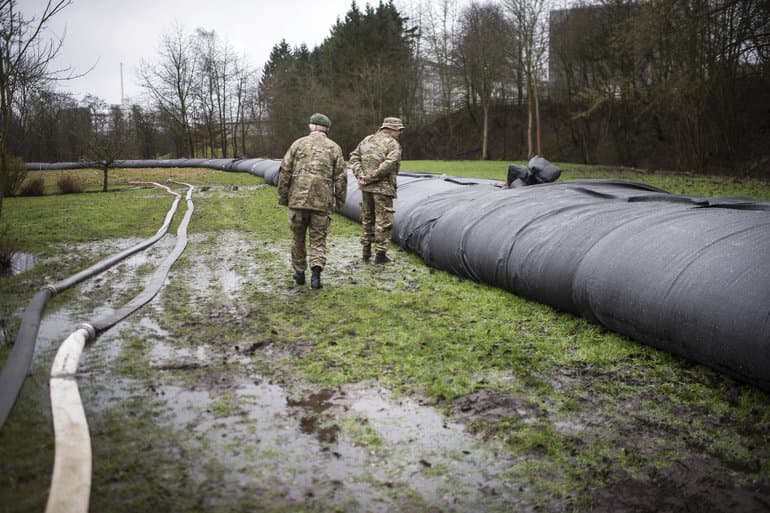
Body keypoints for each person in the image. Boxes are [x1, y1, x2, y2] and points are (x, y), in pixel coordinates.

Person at [277, 113, 347, 289]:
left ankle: (299, 273)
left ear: (311, 126)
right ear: (327, 129)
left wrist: (284, 197)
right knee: (318, 239)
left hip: (297, 201)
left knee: (297, 238)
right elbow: (341, 178)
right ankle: (316, 276)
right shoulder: (334, 148)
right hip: (321, 203)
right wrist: (339, 201)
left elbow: (284, 171)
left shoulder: (298, 144)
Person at [348, 116, 405, 264]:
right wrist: (372, 177)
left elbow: (353, 158)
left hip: (365, 187)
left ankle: (366, 251)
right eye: (399, 130)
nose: (399, 133)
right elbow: (390, 164)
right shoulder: (393, 144)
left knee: (367, 218)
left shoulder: (367, 140)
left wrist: (361, 175)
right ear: (392, 129)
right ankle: (380, 255)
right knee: (383, 220)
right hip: (383, 188)